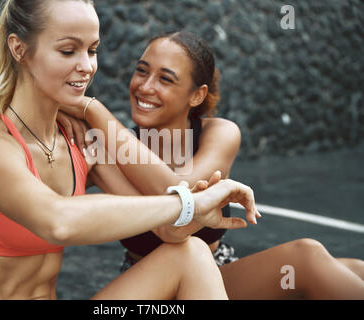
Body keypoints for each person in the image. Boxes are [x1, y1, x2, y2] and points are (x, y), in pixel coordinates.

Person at [0, 0, 260, 300]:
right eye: (68, 50)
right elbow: (59, 222)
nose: (86, 66)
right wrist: (190, 202)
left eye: (92, 50)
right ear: (19, 49)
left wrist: (198, 211)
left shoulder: (77, 143)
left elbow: (167, 229)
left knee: (190, 252)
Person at [59, 31, 364, 299]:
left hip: (218, 269)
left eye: (165, 79)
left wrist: (93, 110)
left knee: (354, 269)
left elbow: (180, 193)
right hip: (155, 286)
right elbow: (49, 185)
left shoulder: (218, 133)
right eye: (142, 71)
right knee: (306, 258)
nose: (145, 87)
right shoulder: (106, 145)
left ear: (197, 95)